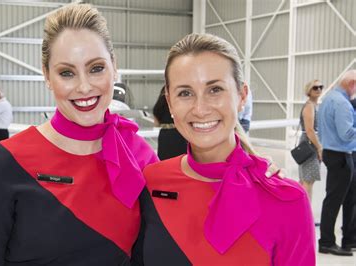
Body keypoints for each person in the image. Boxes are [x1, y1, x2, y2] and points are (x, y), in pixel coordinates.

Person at [0, 4, 158, 265]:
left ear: (114, 65)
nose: (84, 86)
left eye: (96, 68)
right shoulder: (6, 163)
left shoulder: (140, 157)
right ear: (47, 75)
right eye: (67, 73)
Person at [135, 33, 315, 265]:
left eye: (215, 89)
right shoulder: (151, 181)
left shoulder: (287, 200)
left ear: (242, 96)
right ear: (170, 103)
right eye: (185, 93)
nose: (200, 109)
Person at [317, 69, 356, 256]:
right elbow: (346, 134)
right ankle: (326, 242)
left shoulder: (329, 98)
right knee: (334, 201)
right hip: (341, 155)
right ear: (351, 84)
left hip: (333, 153)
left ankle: (343, 239)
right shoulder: (342, 103)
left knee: (338, 199)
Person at [298, 80, 323, 202]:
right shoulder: (309, 106)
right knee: (308, 181)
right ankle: (307, 216)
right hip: (310, 145)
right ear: (309, 90)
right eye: (315, 87)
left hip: (309, 144)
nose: (318, 89)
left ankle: (301, 213)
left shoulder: (314, 105)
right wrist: (319, 147)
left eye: (320, 87)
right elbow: (310, 130)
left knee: (305, 180)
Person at [153, 85, 187, 160]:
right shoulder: (178, 103)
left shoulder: (158, 106)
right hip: (178, 133)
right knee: (180, 161)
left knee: (165, 161)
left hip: (164, 134)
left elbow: (156, 124)